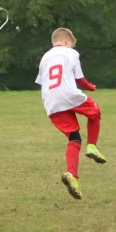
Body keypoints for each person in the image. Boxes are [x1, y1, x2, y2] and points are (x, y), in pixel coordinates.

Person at [35, 28, 105, 200]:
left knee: (74, 138)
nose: (73, 48)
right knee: (95, 112)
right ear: (66, 42)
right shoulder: (70, 53)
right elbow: (79, 79)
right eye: (72, 45)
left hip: (50, 101)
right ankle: (92, 146)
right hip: (68, 93)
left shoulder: (44, 57)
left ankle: (71, 174)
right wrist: (90, 87)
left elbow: (42, 81)